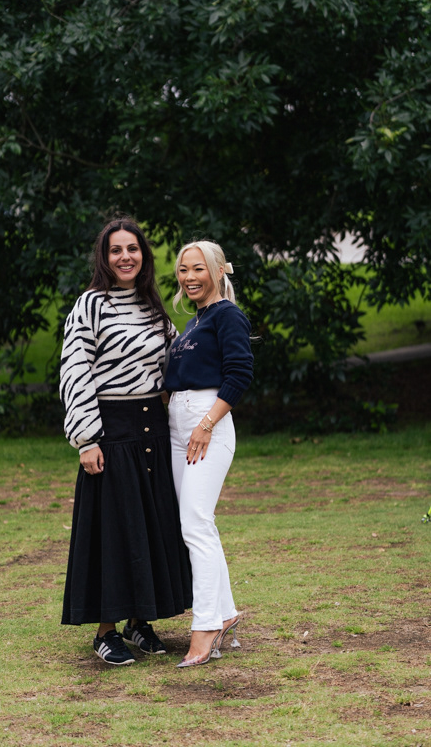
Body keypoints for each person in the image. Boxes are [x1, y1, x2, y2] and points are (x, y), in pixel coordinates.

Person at [59, 217, 192, 666]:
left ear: (143, 255)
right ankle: (105, 631)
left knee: (149, 526)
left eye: (132, 249)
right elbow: (75, 371)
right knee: (114, 532)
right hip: (110, 433)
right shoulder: (90, 305)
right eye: (116, 250)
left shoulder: (153, 307)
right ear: (104, 257)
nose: (125, 257)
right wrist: (86, 438)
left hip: (153, 431)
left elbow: (175, 364)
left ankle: (139, 621)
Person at [165, 239, 253, 668]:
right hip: (179, 428)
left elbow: (240, 373)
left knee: (195, 524)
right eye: (183, 270)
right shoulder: (194, 322)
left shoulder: (227, 315)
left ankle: (204, 626)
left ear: (218, 271)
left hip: (207, 425)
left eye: (198, 268)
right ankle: (225, 611)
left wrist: (206, 424)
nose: (190, 277)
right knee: (199, 525)